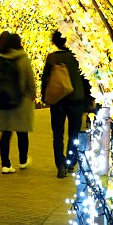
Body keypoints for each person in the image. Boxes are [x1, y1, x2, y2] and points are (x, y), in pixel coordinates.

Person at [41, 30, 88, 178]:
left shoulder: (51, 58)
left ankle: (60, 165)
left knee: (58, 135)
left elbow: (45, 80)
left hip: (57, 101)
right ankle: (70, 162)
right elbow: (85, 80)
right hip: (76, 100)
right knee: (74, 133)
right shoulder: (77, 57)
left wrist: (45, 97)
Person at [0, 32, 35, 174]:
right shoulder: (23, 59)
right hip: (21, 101)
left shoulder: (0, 59)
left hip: (4, 101)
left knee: (5, 134)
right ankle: (23, 160)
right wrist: (32, 96)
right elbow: (30, 81)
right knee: (22, 133)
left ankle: (5, 164)